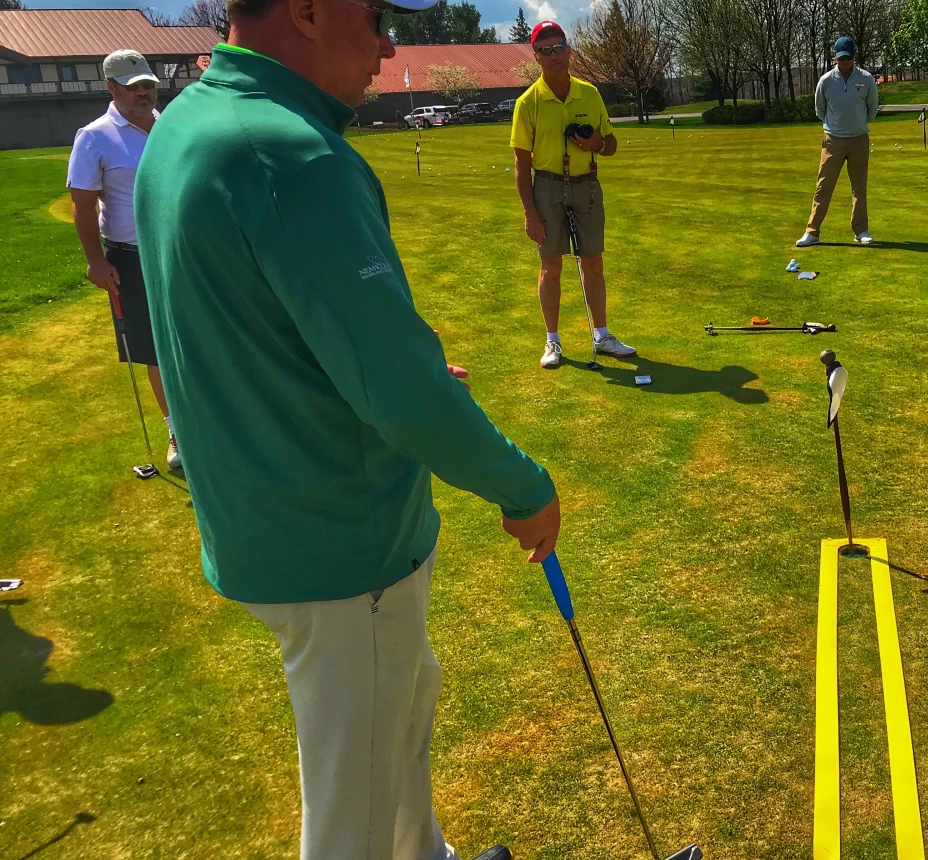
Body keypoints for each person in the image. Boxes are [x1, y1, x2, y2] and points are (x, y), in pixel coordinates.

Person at [132, 0, 559, 857]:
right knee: (352, 807)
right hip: (337, 541)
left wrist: (386, 374)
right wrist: (525, 487)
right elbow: (403, 395)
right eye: (373, 17)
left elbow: (267, 328)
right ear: (308, 10)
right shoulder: (290, 151)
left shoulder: (186, 120)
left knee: (397, 723)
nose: (389, 44)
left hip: (270, 521)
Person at [67, 49, 182, 471]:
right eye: (134, 88)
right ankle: (177, 430)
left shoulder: (171, 124)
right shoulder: (94, 136)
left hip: (181, 249)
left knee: (199, 334)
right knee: (154, 349)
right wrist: (95, 262)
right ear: (111, 87)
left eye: (149, 85)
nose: (144, 94)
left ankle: (211, 419)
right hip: (130, 256)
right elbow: (81, 205)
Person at [510, 20, 636, 369]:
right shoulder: (528, 103)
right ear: (536, 57)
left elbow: (610, 143)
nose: (554, 56)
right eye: (545, 51)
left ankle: (603, 335)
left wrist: (596, 143)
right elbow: (521, 164)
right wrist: (529, 214)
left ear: (569, 50)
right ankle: (552, 342)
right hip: (547, 186)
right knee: (550, 266)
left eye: (559, 48)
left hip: (587, 185)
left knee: (593, 262)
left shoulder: (589, 93)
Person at [796, 36, 879, 248]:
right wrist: (835, 127)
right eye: (841, 58)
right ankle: (812, 232)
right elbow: (820, 110)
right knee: (823, 187)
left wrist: (856, 124)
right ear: (835, 57)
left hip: (859, 139)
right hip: (832, 140)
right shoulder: (825, 81)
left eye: (848, 58)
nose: (844, 62)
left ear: (853, 57)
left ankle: (861, 230)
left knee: (859, 188)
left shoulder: (867, 79)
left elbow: (872, 109)